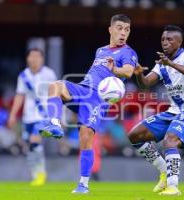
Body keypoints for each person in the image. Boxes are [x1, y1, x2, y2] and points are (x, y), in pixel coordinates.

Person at [39, 14, 138, 194]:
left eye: (127, 29)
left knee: (85, 137)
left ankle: (83, 184)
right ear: (110, 29)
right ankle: (54, 124)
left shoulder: (128, 52)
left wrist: (115, 69)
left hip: (97, 98)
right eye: (120, 28)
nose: (123, 32)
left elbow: (128, 71)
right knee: (55, 86)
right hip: (83, 88)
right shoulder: (101, 51)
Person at [128, 25, 184, 195]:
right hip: (173, 111)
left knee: (169, 140)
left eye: (170, 39)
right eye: (163, 39)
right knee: (135, 135)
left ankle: (173, 186)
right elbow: (146, 84)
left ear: (179, 41)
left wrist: (171, 63)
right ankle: (163, 171)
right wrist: (139, 74)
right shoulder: (161, 64)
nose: (165, 43)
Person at [8, 48, 57, 186]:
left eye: (37, 56)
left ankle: (41, 174)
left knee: (35, 140)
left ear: (42, 59)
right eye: (32, 56)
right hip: (28, 116)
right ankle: (35, 174)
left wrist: (57, 114)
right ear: (27, 59)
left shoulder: (49, 74)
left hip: (43, 114)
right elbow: (19, 95)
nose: (34, 59)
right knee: (29, 145)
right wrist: (12, 115)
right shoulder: (23, 75)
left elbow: (56, 93)